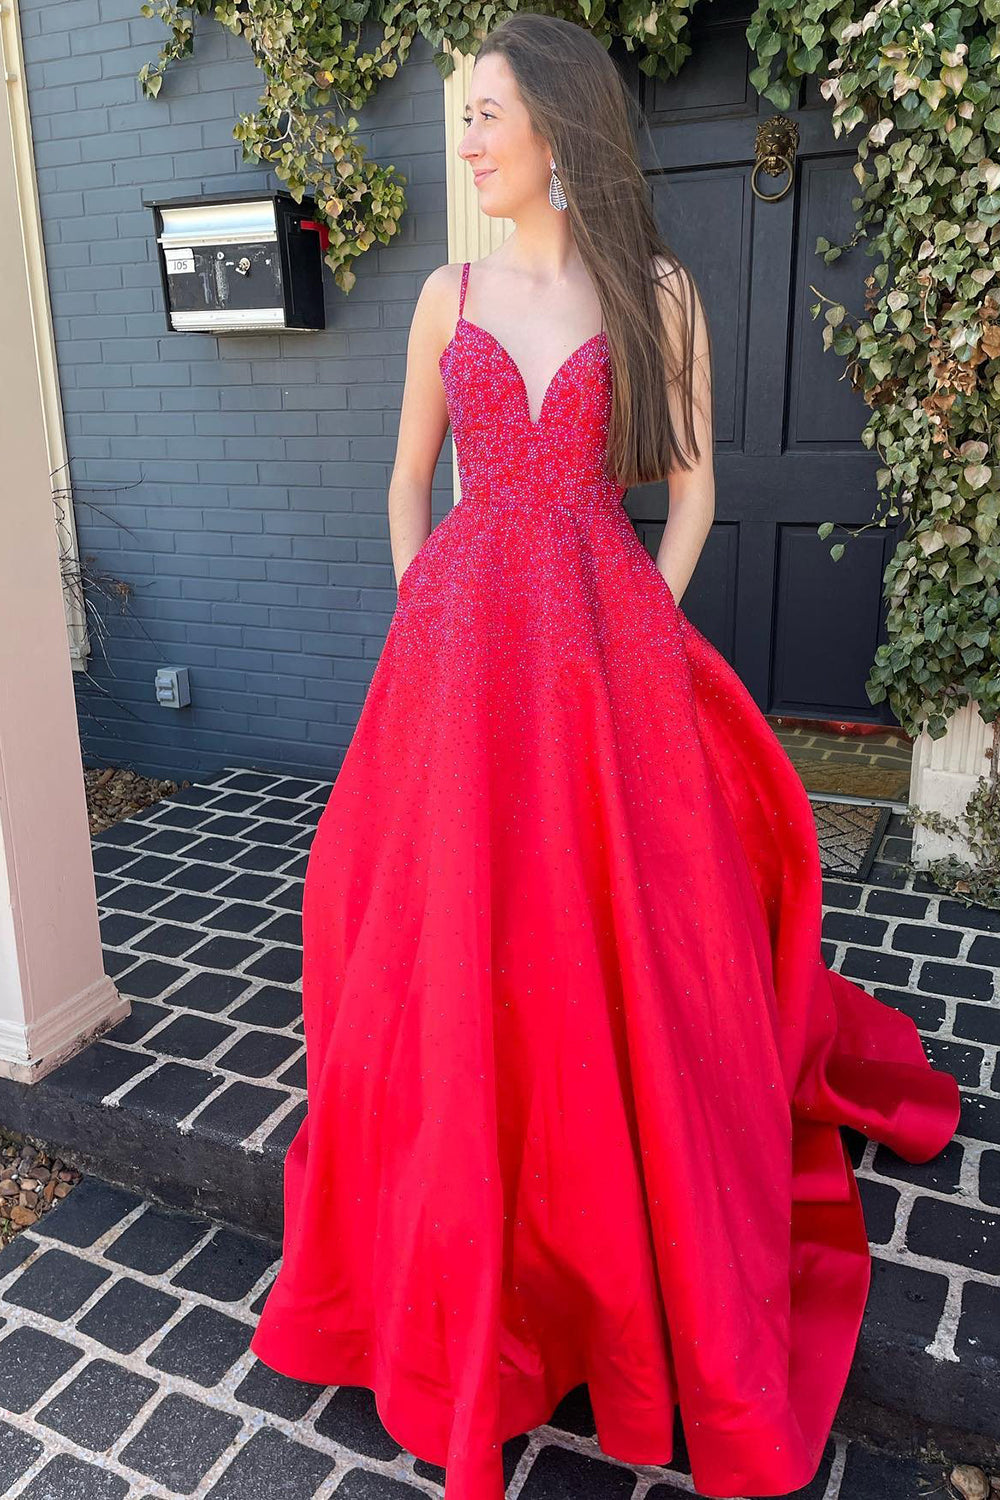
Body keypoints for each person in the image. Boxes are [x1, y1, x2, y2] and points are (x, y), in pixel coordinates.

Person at [249, 14, 961, 1499]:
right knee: (457, 931)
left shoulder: (660, 292)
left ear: (560, 128)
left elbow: (692, 488)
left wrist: (646, 625)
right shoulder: (445, 295)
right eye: (463, 114)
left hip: (598, 653)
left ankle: (604, 1226)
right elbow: (407, 480)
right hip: (460, 661)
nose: (466, 138)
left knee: (610, 930)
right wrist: (423, 617)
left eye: (486, 112)